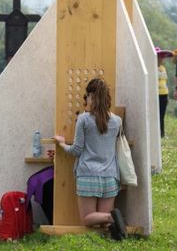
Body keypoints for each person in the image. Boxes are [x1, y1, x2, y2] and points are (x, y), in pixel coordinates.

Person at [54, 78, 128, 240]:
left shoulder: (84, 119)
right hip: (110, 176)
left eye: (86, 96)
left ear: (91, 96)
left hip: (88, 175)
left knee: (87, 219)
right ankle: (113, 227)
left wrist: (61, 144)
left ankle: (111, 217)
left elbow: (76, 150)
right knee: (102, 222)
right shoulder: (117, 121)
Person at [156, 47, 174, 138]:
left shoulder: (163, 68)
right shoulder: (151, 68)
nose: (161, 59)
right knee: (156, 114)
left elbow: (165, 80)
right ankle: (156, 133)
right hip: (156, 94)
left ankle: (162, 133)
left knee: (162, 115)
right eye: (159, 57)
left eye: (161, 57)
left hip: (164, 93)